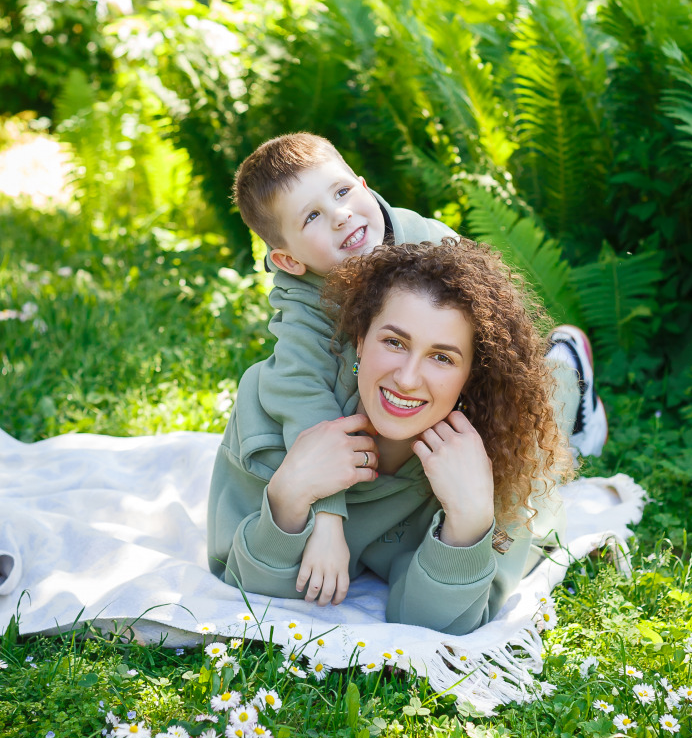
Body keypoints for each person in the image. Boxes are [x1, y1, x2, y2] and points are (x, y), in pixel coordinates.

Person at [230, 132, 607, 607]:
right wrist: (323, 512)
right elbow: (302, 393)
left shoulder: (431, 241)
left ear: (363, 185)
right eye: (312, 217)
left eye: (343, 193)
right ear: (288, 259)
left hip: (471, 398)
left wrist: (472, 516)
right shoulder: (302, 305)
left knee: (537, 407)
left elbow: (495, 330)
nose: (341, 215)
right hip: (381, 421)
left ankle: (564, 376)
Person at [207, 240, 584, 635]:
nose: (406, 379)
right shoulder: (274, 399)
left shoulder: (503, 452)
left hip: (525, 415)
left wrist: (469, 520)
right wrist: (289, 494)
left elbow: (442, 624)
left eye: (443, 357)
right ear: (360, 340)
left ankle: (564, 368)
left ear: (471, 374)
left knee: (553, 409)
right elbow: (242, 585)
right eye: (394, 342)